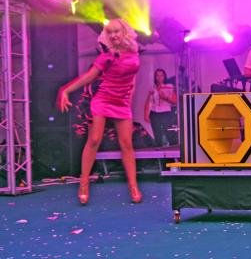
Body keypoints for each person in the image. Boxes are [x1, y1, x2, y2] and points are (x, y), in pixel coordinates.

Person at [57, 18, 142, 205]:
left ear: (124, 32)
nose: (113, 35)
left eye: (116, 31)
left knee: (127, 144)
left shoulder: (134, 52)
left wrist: (129, 97)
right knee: (94, 139)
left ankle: (133, 186)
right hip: (104, 99)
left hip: (122, 102)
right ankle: (84, 183)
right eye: (109, 32)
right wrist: (66, 90)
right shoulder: (107, 56)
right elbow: (88, 77)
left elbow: (132, 78)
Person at [144, 68, 177, 147]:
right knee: (157, 133)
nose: (159, 77)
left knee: (169, 132)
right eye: (157, 75)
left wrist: (165, 98)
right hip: (154, 113)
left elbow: (175, 101)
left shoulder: (169, 87)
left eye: (161, 75)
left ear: (164, 76)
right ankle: (159, 150)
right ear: (155, 77)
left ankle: (173, 149)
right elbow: (149, 102)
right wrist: (146, 114)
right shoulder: (152, 88)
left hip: (165, 112)